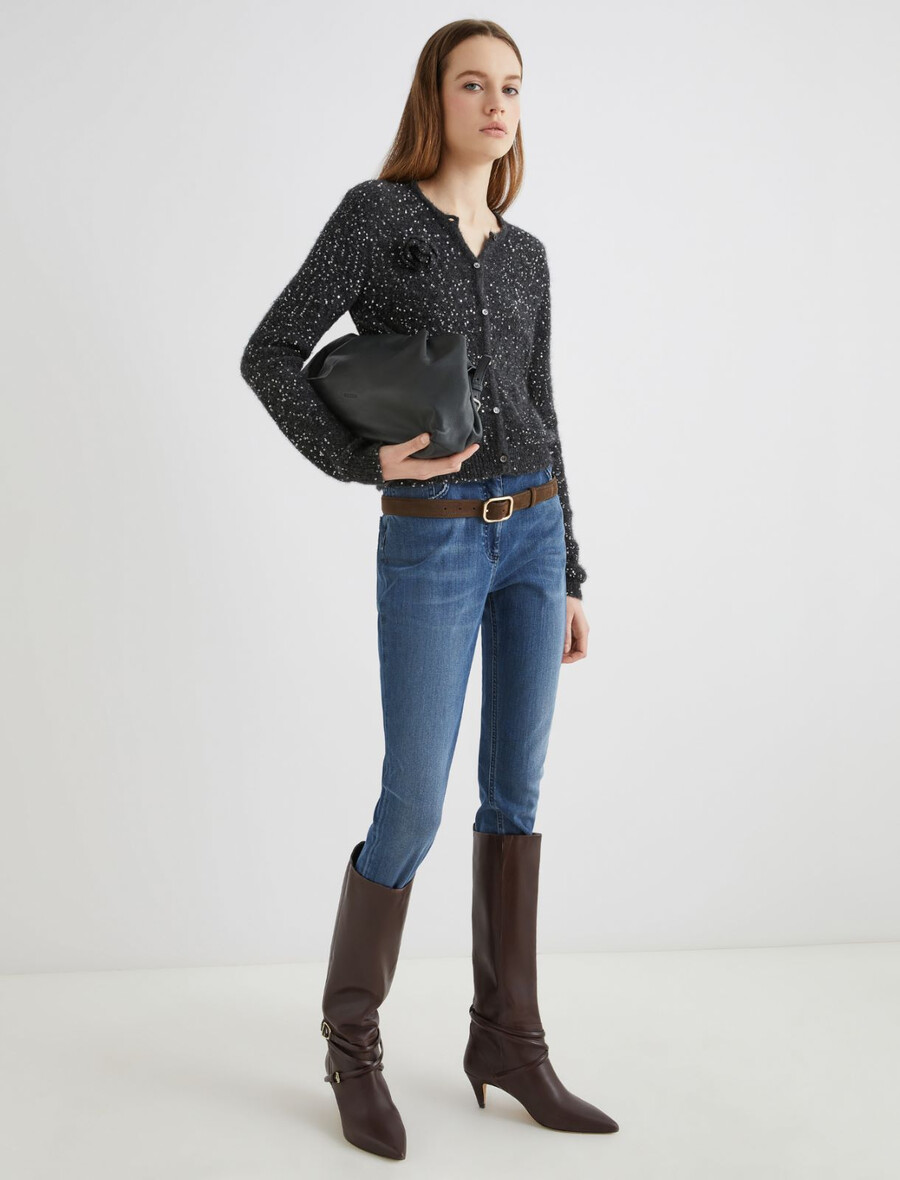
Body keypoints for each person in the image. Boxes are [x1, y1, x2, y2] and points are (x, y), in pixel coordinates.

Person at [240, 19, 619, 1161]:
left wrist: (571, 569)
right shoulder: (378, 218)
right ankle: (351, 1041)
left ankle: (508, 1039)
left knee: (516, 793)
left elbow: (545, 408)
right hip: (434, 542)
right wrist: (366, 462)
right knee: (412, 800)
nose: (497, 104)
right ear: (435, 98)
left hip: (532, 537)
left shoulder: (527, 255)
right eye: (474, 84)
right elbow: (270, 352)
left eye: (512, 87)